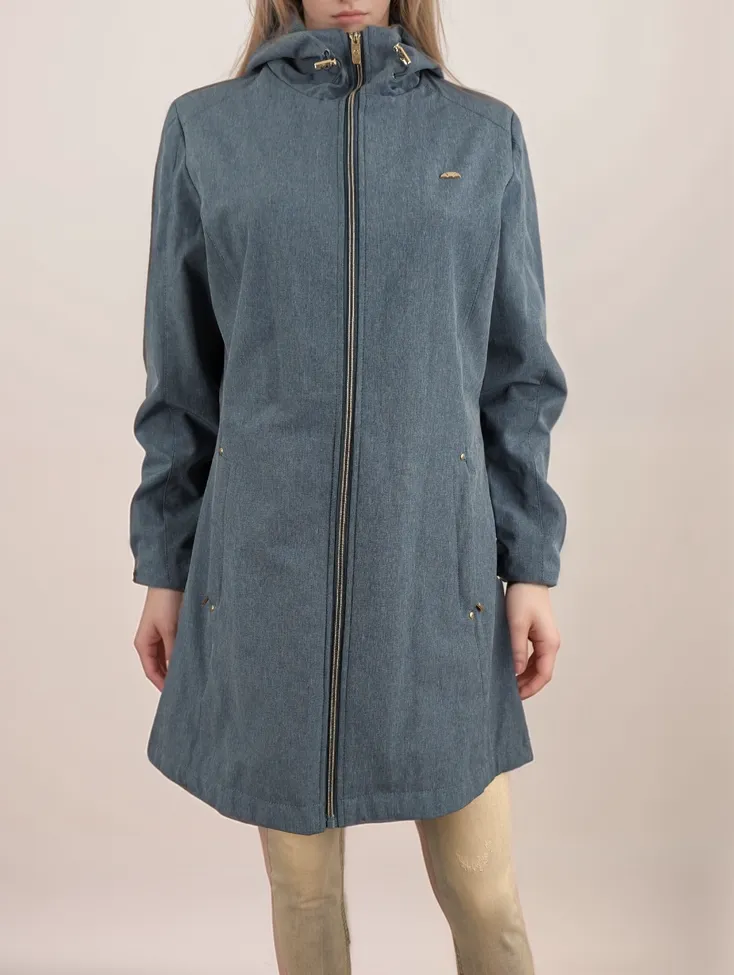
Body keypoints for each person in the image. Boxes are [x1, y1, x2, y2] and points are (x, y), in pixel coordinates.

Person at [129, 1, 568, 971]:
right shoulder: (207, 130)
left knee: (484, 893)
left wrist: (529, 564)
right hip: (266, 579)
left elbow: (517, 376)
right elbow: (182, 381)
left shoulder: (480, 135)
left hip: (434, 575)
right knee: (303, 890)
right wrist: (164, 565)